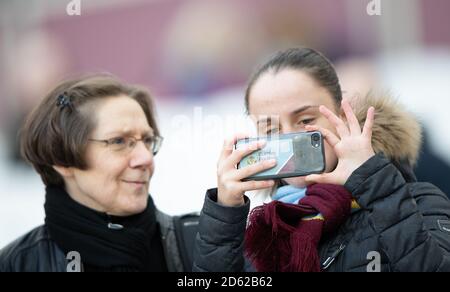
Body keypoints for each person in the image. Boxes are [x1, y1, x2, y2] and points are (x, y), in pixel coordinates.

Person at [193, 48, 450, 272]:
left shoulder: (418, 202)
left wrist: (372, 181)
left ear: (341, 114)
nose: (291, 139)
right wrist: (224, 217)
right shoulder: (262, 234)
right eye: (271, 129)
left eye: (305, 121)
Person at [0, 74, 198, 272]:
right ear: (63, 160)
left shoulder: (197, 244)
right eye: (119, 141)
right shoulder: (17, 264)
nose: (146, 158)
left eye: (147, 140)